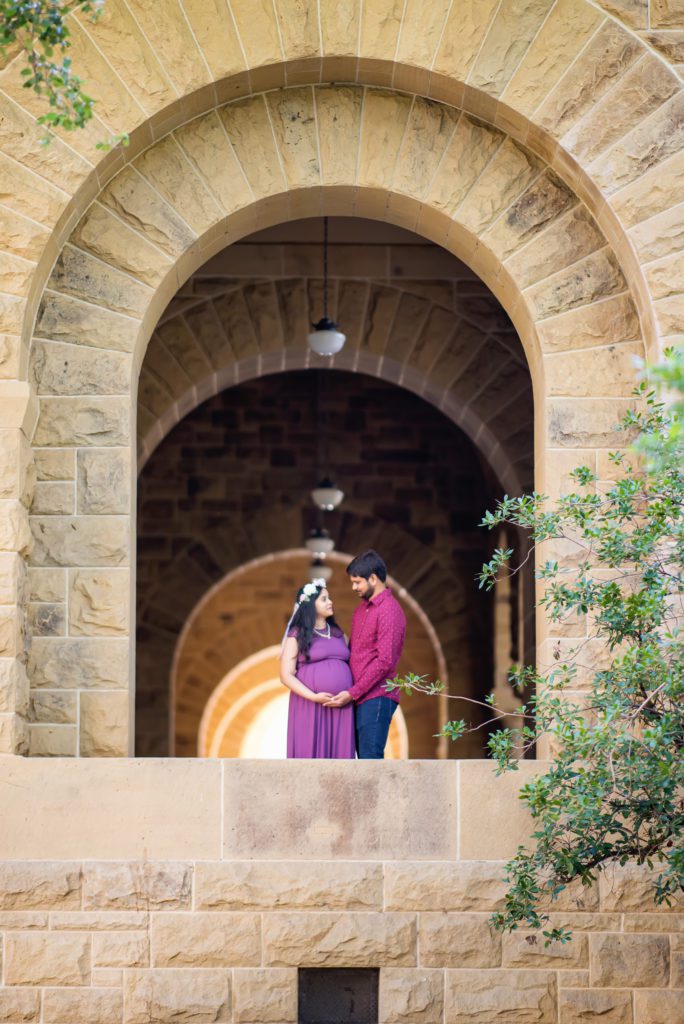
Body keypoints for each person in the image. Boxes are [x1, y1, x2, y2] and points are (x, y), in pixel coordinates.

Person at [326, 550, 406, 759]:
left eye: (357, 582)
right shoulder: (361, 610)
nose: (354, 587)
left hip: (376, 696)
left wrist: (353, 692)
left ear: (373, 578)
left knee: (370, 760)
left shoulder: (389, 609)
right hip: (358, 697)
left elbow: (385, 661)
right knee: (357, 762)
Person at [280, 578, 355, 758]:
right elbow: (285, 675)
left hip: (341, 706)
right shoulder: (296, 635)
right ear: (309, 605)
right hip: (310, 705)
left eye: (329, 598)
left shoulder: (339, 634)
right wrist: (314, 697)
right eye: (324, 599)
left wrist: (350, 693)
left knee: (341, 758)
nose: (330, 602)